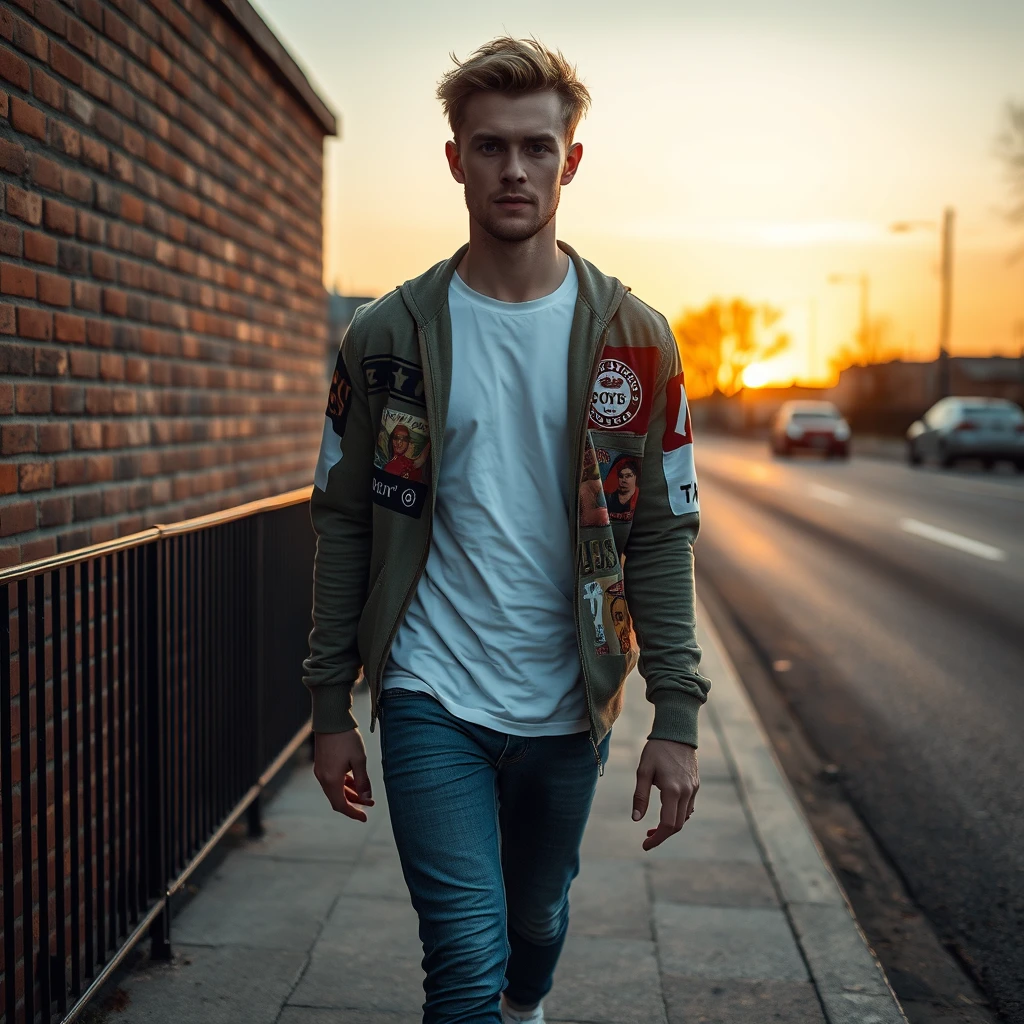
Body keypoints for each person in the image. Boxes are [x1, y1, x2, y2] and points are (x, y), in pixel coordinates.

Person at [303, 36, 708, 1024]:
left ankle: (526, 1001)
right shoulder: (386, 336)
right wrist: (328, 705)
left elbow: (659, 530)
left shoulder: (636, 339)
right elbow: (345, 520)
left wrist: (678, 716)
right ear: (455, 159)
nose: (513, 170)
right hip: (429, 689)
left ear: (571, 159)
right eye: (489, 147)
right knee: (461, 953)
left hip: (569, 702)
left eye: (536, 147)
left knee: (533, 920)